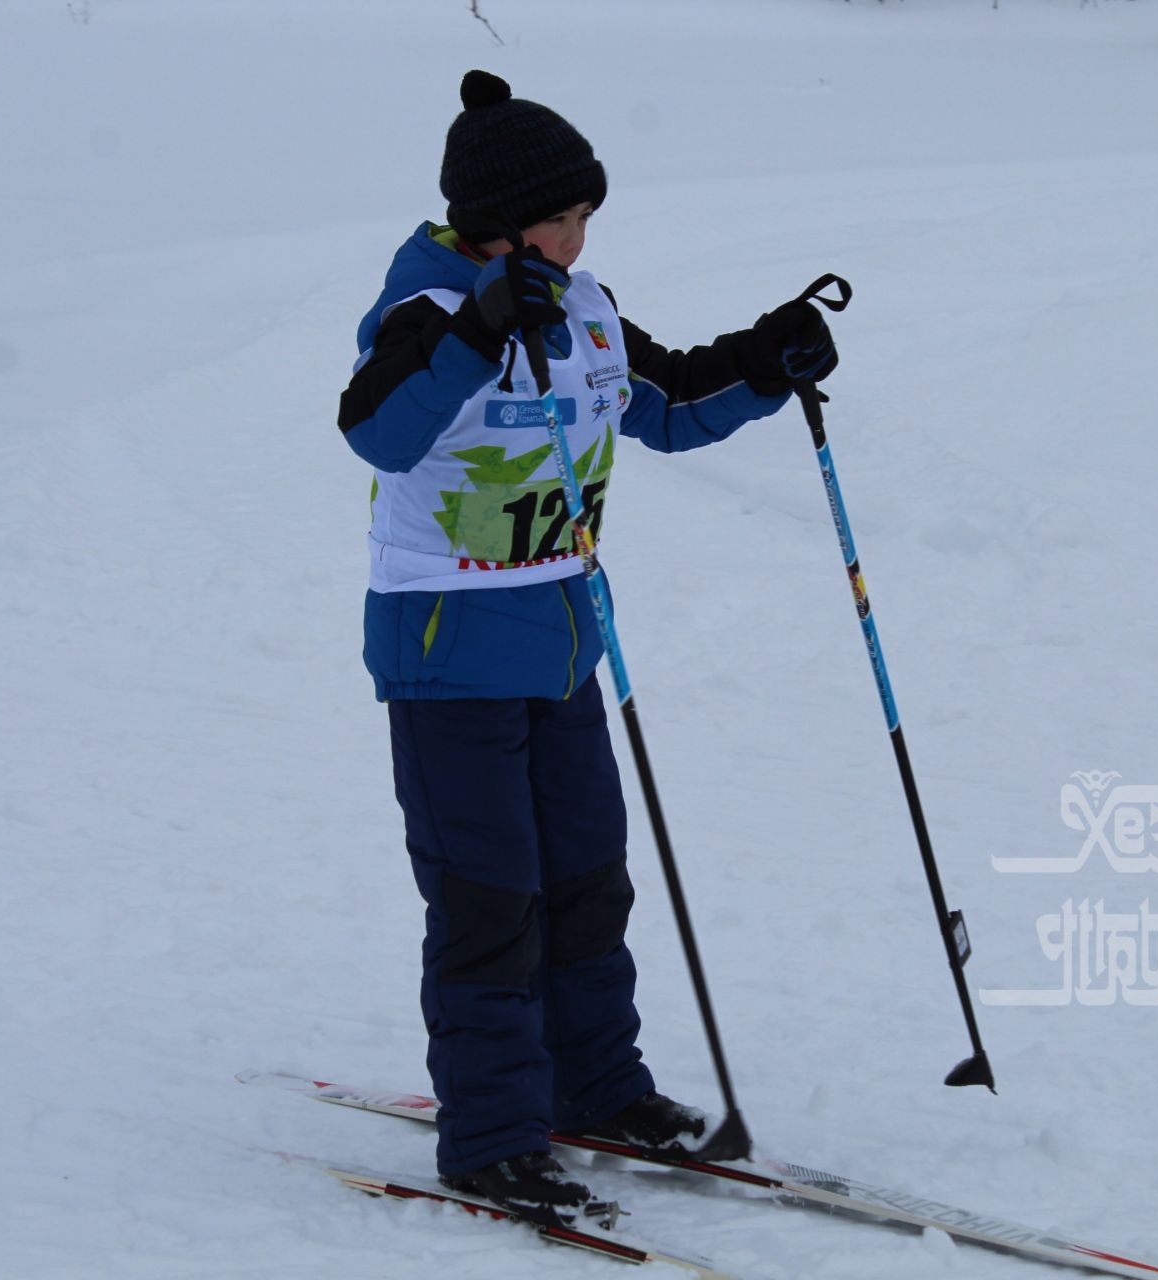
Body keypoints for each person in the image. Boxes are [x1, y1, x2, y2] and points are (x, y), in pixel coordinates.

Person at [335, 69, 839, 1224]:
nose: (577, 237)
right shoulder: (423, 310)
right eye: (559, 219)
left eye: (583, 220)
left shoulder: (584, 301)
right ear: (494, 224)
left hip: (564, 643)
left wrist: (764, 362)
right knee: (490, 898)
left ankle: (597, 1084)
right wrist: (478, 331)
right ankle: (494, 1134)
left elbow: (658, 404)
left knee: (584, 881)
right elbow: (376, 426)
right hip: (449, 650)